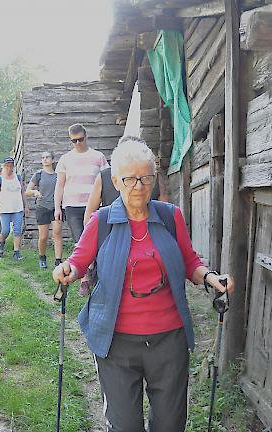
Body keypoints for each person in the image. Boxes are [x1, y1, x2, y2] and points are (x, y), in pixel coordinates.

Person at [52, 136, 234, 432]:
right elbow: (79, 260)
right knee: (125, 425)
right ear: (115, 180)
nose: (139, 186)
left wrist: (212, 278)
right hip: (116, 341)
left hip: (168, 340)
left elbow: (190, 261)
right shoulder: (103, 220)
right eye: (131, 179)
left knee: (171, 424)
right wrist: (67, 270)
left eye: (146, 178)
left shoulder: (170, 216)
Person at [54, 123, 109, 293]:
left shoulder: (98, 157)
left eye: (80, 140)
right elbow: (60, 185)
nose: (78, 143)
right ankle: (85, 279)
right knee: (81, 241)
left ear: (86, 137)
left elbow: (106, 181)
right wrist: (57, 207)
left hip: (94, 205)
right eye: (74, 141)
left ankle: (96, 272)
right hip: (72, 206)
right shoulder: (65, 159)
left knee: (98, 241)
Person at [25, 151, 62, 269]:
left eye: (47, 157)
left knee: (57, 233)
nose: (45, 159)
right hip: (42, 207)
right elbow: (27, 192)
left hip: (56, 207)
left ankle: (58, 261)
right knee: (43, 237)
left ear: (52, 160)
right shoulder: (38, 174)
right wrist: (35, 192)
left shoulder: (58, 175)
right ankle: (42, 257)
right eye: (43, 158)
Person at [0, 157, 27, 260]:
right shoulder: (0, 179)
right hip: (4, 208)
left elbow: (22, 192)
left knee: (17, 230)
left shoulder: (18, 178)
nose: (9, 168)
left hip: (18, 208)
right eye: (7, 166)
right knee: (6, 230)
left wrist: (26, 206)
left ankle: (16, 252)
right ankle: (1, 244)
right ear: (3, 167)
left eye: (11, 166)